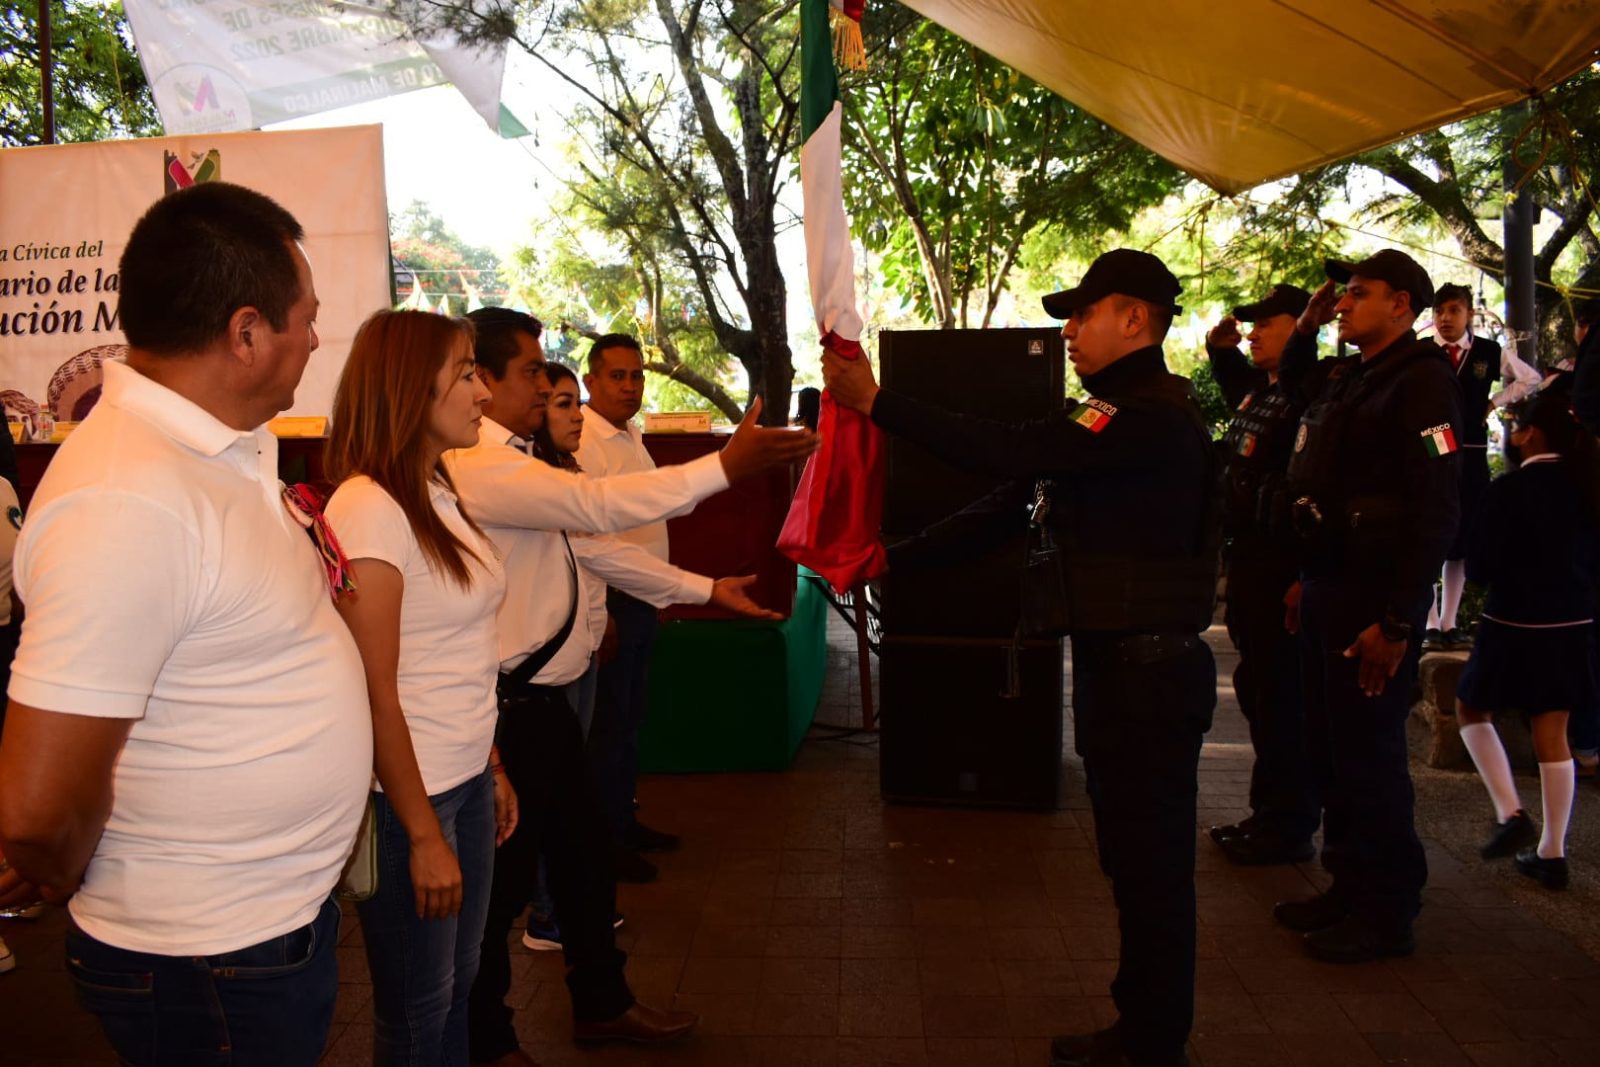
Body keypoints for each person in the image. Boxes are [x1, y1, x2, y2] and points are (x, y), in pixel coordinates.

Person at [0, 182, 370, 1063]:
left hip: (250, 937)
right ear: (246, 333)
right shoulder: (129, 498)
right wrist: (61, 865)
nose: (317, 339)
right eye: (305, 319)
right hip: (204, 960)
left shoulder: (213, 451)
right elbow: (37, 807)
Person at [826, 248, 1217, 1067]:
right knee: (1133, 860)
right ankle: (1144, 1025)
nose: (1067, 329)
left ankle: (1154, 1040)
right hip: (1125, 672)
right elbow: (1012, 503)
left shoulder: (1141, 415)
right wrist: (896, 557)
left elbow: (1007, 452)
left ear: (1135, 318)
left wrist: (880, 402)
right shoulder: (1109, 419)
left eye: (1082, 313)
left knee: (1150, 867)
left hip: (1148, 676)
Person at [448, 308, 814, 1065]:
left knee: (584, 859)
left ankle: (603, 1005)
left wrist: (705, 587)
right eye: (529, 373)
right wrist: (724, 466)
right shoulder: (481, 462)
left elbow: (600, 549)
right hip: (512, 708)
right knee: (502, 892)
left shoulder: (519, 456)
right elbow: (597, 509)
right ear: (482, 377)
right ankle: (486, 1039)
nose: (548, 387)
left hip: (545, 700)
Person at [322, 310, 517, 1063]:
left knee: (456, 985)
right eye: (467, 371)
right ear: (410, 386)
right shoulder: (370, 506)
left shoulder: (434, 488)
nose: (482, 391)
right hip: (412, 801)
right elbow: (374, 689)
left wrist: (489, 763)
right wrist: (425, 834)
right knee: (415, 1010)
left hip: (460, 779)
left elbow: (457, 653)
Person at [1273, 249, 1462, 963]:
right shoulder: (1354, 376)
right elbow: (1293, 389)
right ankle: (1349, 885)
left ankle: (1387, 910)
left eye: (1358, 293)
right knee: (1329, 749)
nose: (1343, 302)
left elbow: (1438, 507)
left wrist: (1399, 620)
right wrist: (1309, 325)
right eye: (1342, 294)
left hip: (1374, 603)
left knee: (1370, 759)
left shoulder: (1422, 384)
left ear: (1402, 305)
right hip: (1330, 586)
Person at [1454, 390, 1599, 890]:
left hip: (1513, 621)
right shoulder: (1587, 486)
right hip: (1574, 622)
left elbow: (1480, 567)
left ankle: (1510, 812)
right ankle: (1553, 852)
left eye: (1515, 426)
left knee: (1472, 709)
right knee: (1552, 731)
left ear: (1530, 434)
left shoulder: (1509, 489)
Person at [1202, 283, 1322, 865]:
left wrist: (1306, 574)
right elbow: (1246, 412)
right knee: (1259, 693)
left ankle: (1290, 824)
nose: (1251, 333)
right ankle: (1267, 813)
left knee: (1282, 698)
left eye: (1264, 324)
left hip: (1282, 567)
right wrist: (1221, 353)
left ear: (1299, 327)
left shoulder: (1313, 391)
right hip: (1248, 561)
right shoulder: (1262, 393)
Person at [574, 334, 679, 883]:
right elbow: (583, 535)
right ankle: (605, 845)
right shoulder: (583, 442)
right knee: (608, 729)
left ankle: (623, 822)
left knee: (629, 724)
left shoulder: (629, 433)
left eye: (637, 375)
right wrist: (604, 613)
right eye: (617, 376)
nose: (630, 386)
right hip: (611, 603)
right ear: (590, 381)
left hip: (639, 599)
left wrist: (657, 593)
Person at [1421, 282, 1540, 651]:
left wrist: (1494, 403)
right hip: (1432, 446)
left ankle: (1449, 622)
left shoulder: (1488, 351)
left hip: (1471, 450)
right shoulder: (1422, 352)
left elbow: (1531, 379)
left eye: (1454, 310)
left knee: (1460, 537)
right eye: (1439, 311)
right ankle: (1427, 623)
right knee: (1429, 534)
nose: (1445, 319)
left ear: (1469, 314)